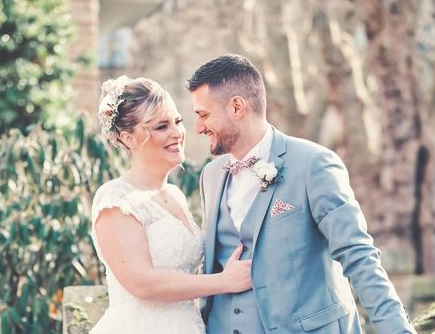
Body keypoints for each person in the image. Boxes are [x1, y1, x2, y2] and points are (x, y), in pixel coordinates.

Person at [188, 54, 417, 334]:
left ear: (237, 106)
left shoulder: (313, 164)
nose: (198, 127)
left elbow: (358, 254)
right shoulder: (210, 176)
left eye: (203, 115)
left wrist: (396, 330)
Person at [90, 76, 252, 333]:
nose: (177, 133)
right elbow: (143, 284)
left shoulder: (175, 194)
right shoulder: (116, 200)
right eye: (161, 126)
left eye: (177, 121)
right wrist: (225, 281)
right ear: (128, 138)